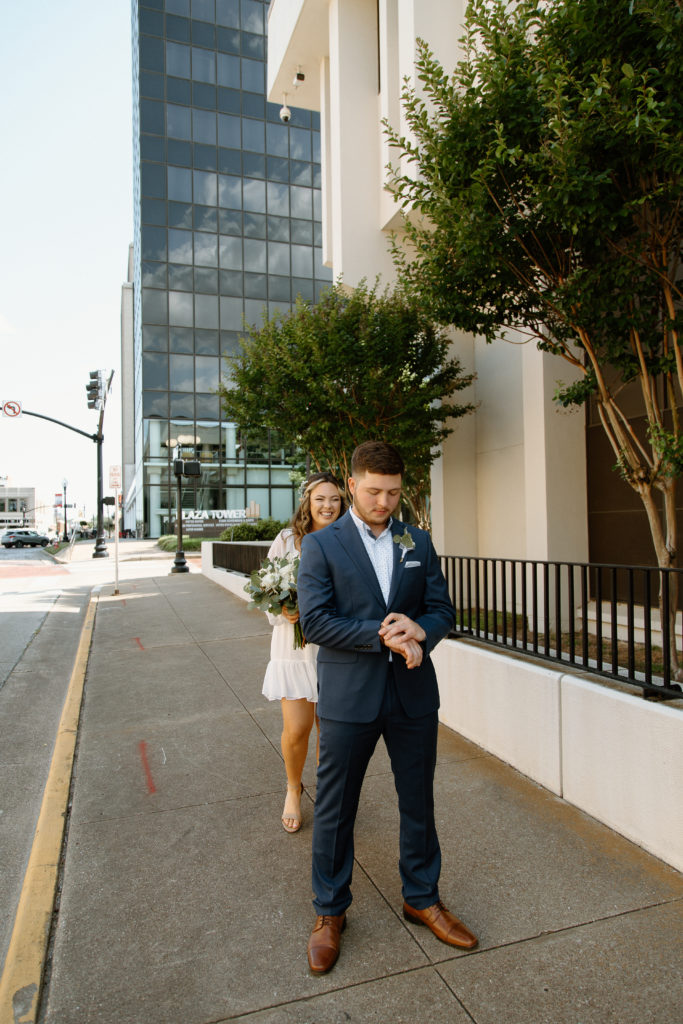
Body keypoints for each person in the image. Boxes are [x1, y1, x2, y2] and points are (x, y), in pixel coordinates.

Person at [298, 440, 478, 974]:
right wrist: (384, 635)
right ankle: (330, 912)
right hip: (350, 699)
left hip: (413, 696)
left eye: (393, 492)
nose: (384, 502)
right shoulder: (321, 545)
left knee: (418, 801)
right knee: (335, 808)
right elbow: (316, 622)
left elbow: (442, 608)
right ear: (352, 485)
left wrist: (423, 627)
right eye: (373, 491)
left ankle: (422, 897)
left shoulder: (416, 539)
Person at [262, 471, 347, 833]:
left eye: (335, 499)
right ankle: (293, 789)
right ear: (307, 502)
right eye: (320, 499)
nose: (328, 506)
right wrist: (282, 610)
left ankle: (328, 800)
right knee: (297, 730)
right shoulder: (285, 541)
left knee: (330, 735)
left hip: (333, 650)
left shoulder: (349, 541)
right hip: (294, 651)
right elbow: (265, 591)